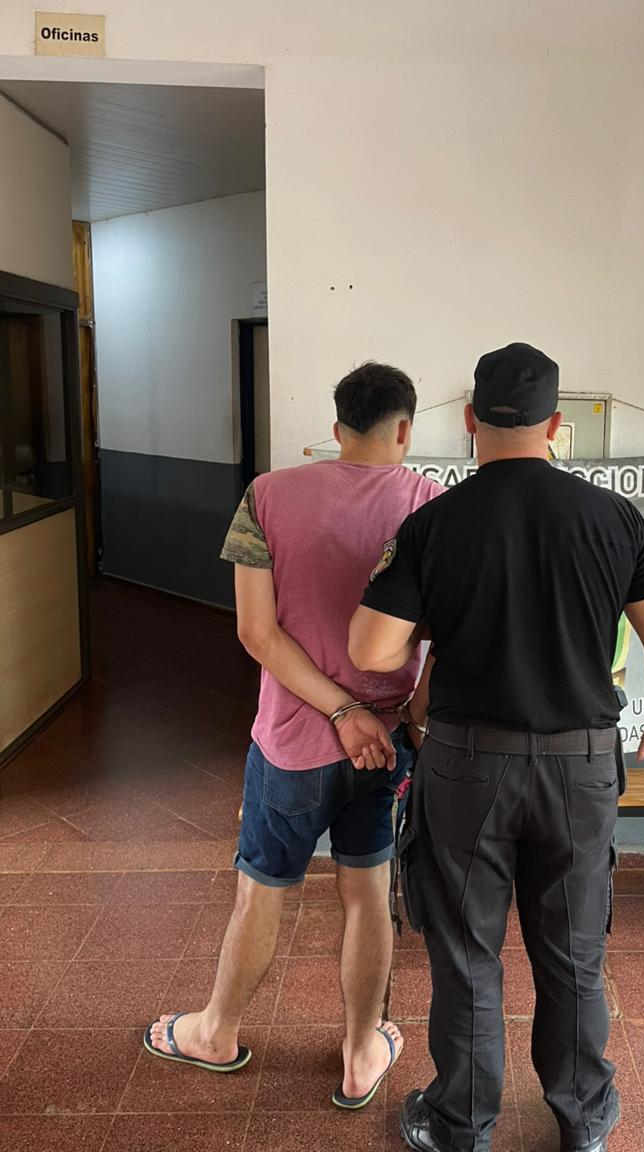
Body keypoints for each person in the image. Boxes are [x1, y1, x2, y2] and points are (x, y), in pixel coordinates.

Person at [349, 343, 644, 1152]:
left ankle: (460, 1125)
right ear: (555, 425)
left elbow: (370, 649)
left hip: (467, 765)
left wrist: (443, 620)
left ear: (471, 421)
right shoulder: (616, 519)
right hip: (581, 768)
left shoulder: (433, 523)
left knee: (467, 952)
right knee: (573, 953)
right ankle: (583, 1122)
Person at [143, 361, 441, 1110]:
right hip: (386, 744)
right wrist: (399, 714)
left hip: (289, 742)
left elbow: (256, 633)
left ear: (337, 428)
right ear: (405, 430)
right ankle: (360, 1052)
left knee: (261, 892)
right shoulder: (432, 505)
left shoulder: (266, 496)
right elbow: (446, 635)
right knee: (366, 894)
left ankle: (216, 1033)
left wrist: (337, 713)